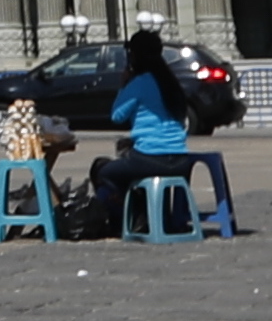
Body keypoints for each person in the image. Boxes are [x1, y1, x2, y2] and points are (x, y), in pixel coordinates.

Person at [85, 23, 203, 235]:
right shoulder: (170, 81)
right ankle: (154, 215)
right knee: (128, 166)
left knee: (103, 170)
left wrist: (124, 84)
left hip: (150, 158)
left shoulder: (139, 82)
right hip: (179, 160)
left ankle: (129, 216)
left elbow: (117, 115)